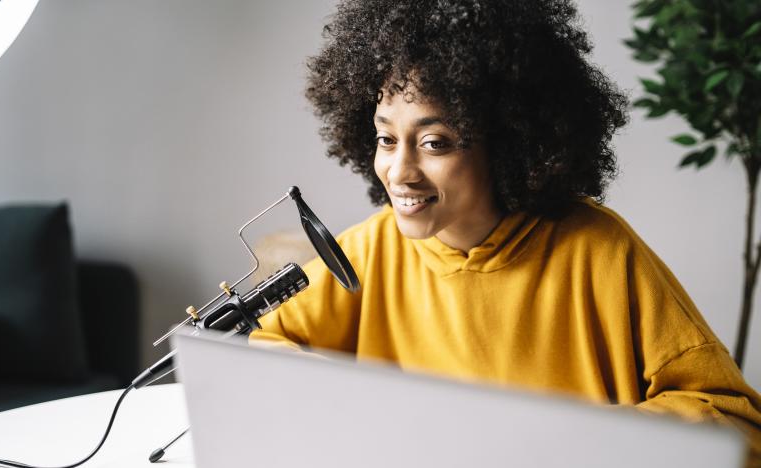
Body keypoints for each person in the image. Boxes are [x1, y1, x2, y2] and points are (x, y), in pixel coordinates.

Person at [250, 0, 761, 464]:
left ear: (508, 143)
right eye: (386, 139)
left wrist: (579, 442)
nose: (399, 171)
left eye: (434, 143)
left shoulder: (599, 249)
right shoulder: (368, 249)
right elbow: (262, 348)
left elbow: (736, 426)